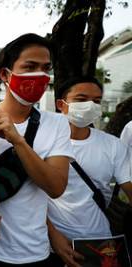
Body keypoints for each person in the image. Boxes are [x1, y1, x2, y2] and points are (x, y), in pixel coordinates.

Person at [0, 33, 73, 266]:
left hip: (35, 252)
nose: (40, 75)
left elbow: (56, 187)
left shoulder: (56, 124)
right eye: (30, 67)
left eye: (46, 68)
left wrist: (18, 141)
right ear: (5, 74)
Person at [46, 77, 132, 267]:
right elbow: (29, 198)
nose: (90, 106)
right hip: (50, 246)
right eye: (81, 99)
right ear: (62, 104)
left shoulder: (113, 146)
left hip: (99, 246)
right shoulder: (43, 143)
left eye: (97, 101)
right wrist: (53, 236)